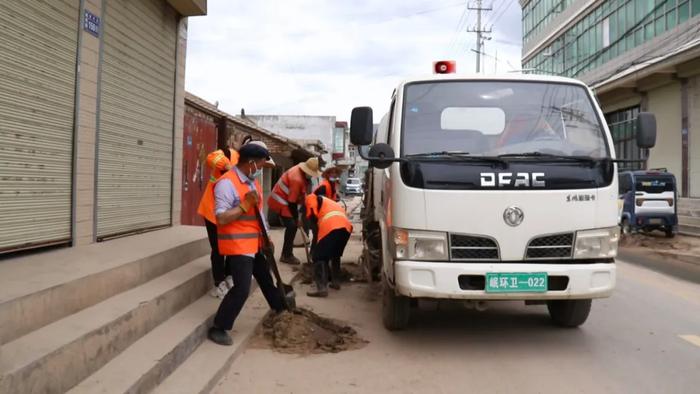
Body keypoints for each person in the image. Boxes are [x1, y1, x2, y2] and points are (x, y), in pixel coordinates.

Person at [207, 143, 284, 346]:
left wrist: (267, 238)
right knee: (242, 288)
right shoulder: (226, 183)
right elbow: (221, 218)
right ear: (250, 163)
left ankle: (281, 310)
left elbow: (259, 215)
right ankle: (219, 327)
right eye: (259, 164)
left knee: (266, 279)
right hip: (237, 245)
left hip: (255, 243)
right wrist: (243, 205)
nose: (260, 169)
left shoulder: (252, 183)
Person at [197, 135, 252, 299]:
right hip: (213, 211)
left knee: (230, 247)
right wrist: (229, 166)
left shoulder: (251, 167)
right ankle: (219, 282)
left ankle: (229, 277)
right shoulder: (229, 154)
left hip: (231, 214)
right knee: (219, 248)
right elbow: (211, 158)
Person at [267, 157, 322, 265]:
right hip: (280, 201)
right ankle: (286, 255)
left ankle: (287, 253)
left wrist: (300, 215)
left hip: (287, 201)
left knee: (293, 224)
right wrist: (297, 219)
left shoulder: (301, 174)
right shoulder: (296, 179)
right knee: (292, 226)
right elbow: (292, 203)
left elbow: (299, 198)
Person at [304, 191, 353, 297]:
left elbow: (312, 212)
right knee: (335, 254)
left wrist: (315, 249)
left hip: (331, 227)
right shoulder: (328, 202)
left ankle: (321, 288)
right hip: (346, 229)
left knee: (319, 256)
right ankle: (335, 282)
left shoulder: (310, 197)